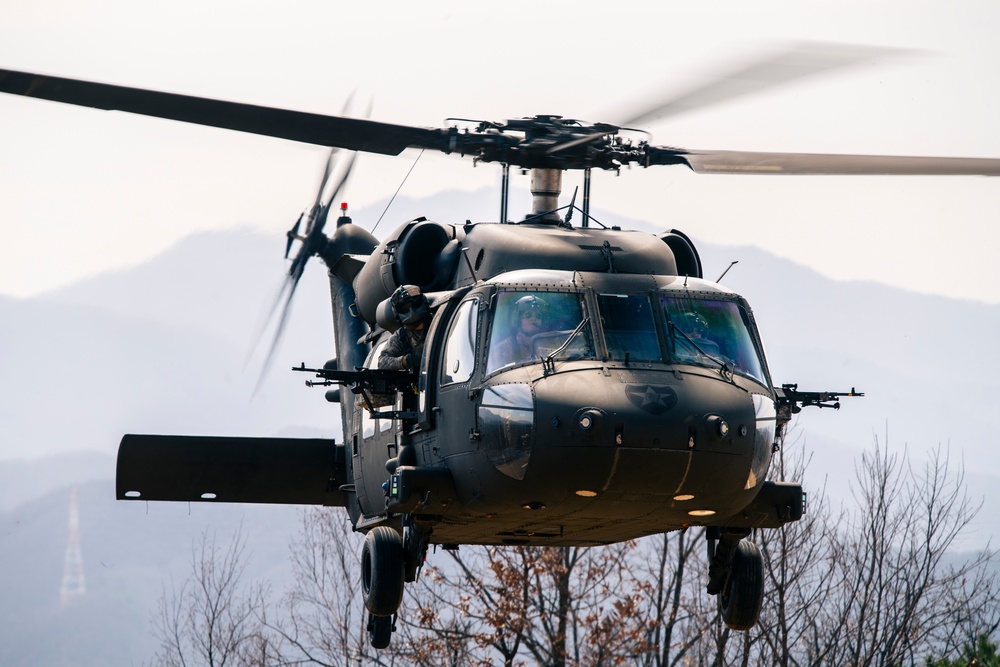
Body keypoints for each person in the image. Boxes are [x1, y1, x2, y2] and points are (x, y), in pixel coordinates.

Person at [378, 285, 431, 371]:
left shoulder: (438, 323)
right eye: (405, 307)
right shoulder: (401, 336)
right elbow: (382, 362)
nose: (411, 310)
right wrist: (406, 361)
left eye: (415, 303)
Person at [491, 295, 549, 368]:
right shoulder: (502, 349)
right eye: (528, 315)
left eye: (538, 316)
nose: (533, 319)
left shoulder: (551, 345)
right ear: (518, 320)